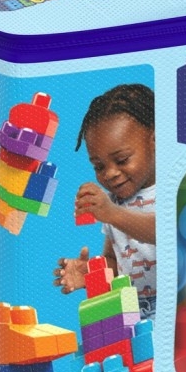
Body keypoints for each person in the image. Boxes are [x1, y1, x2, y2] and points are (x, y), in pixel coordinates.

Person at [54, 84, 157, 318]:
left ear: (154, 141)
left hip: (174, 309)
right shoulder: (114, 202)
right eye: (99, 166)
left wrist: (111, 213)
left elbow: (168, 232)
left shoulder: (174, 187)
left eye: (122, 160)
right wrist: (92, 272)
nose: (109, 174)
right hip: (132, 312)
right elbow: (115, 260)